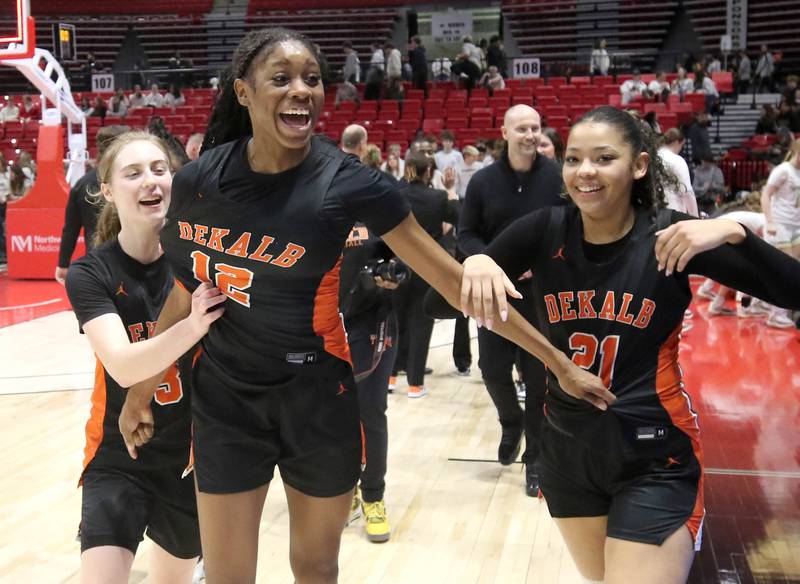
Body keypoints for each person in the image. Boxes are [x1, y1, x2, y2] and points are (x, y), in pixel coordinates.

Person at [117, 28, 611, 583]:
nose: (302, 90)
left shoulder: (348, 181)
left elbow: (454, 285)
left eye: (311, 79)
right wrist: (141, 388)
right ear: (243, 93)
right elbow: (187, 294)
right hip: (226, 402)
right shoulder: (199, 182)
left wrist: (558, 362)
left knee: (315, 568)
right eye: (281, 79)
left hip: (317, 398)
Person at [459, 105, 800, 583]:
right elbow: (461, 295)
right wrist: (475, 263)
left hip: (653, 456)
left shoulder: (670, 235)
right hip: (568, 454)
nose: (585, 172)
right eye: (574, 159)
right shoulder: (543, 229)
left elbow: (793, 289)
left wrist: (737, 231)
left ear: (639, 165)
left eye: (603, 158)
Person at [64, 132, 227, 584]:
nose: (149, 181)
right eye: (132, 173)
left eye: (159, 170)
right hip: (119, 455)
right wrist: (192, 325)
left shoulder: (204, 263)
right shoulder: (90, 272)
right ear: (108, 191)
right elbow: (123, 364)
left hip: (189, 458)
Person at [458, 104, 566, 496]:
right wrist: (487, 261)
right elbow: (465, 234)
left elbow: (570, 227)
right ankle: (510, 421)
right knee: (492, 370)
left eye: (536, 128)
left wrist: (542, 264)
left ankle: (535, 457)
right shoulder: (483, 181)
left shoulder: (557, 178)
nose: (531, 135)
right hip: (493, 294)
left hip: (540, 294)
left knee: (539, 382)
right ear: (504, 132)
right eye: (522, 128)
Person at [391, 152, 460, 398]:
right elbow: (458, 216)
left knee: (396, 323)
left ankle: (389, 377)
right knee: (420, 324)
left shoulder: (395, 194)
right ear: (429, 172)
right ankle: (415, 384)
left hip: (396, 265)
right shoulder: (438, 197)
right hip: (425, 268)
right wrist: (451, 190)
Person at [56, 125, 131, 284]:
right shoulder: (135, 181)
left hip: (97, 260)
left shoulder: (82, 184)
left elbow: (71, 228)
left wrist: (63, 263)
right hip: (131, 259)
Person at [760, 139, 800, 328]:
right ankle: (777, 313)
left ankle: (773, 307)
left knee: (792, 269)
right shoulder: (783, 170)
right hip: (780, 225)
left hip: (795, 226)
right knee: (787, 269)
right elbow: (766, 195)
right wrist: (770, 221)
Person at [659, 128, 698, 216]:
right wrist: (695, 217)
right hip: (673, 212)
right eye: (682, 145)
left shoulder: (652, 158)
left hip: (652, 213)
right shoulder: (677, 160)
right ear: (677, 142)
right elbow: (687, 192)